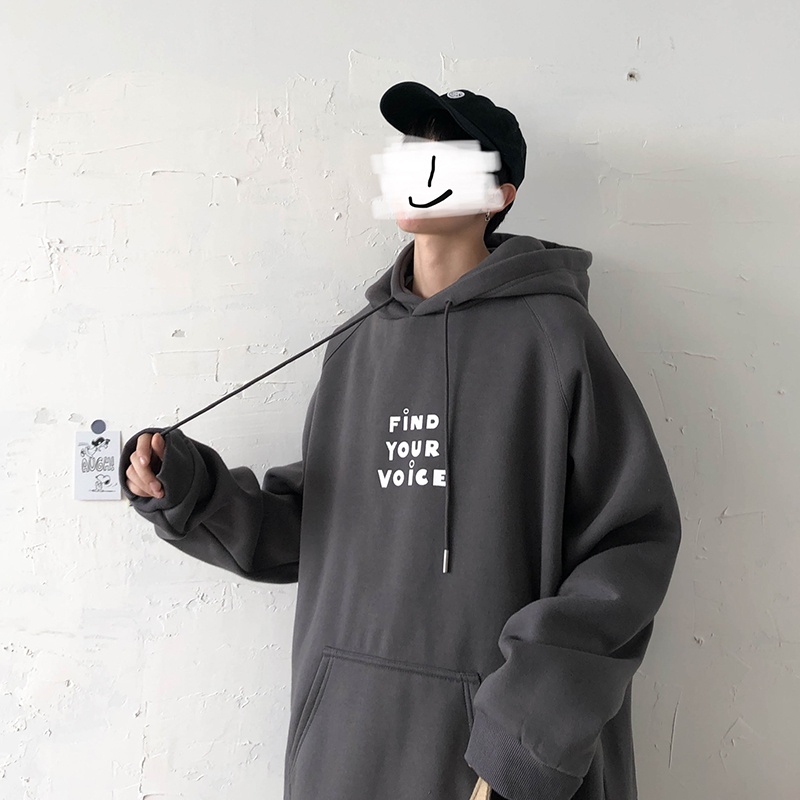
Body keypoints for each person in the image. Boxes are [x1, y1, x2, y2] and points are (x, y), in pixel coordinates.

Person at [120, 82, 682, 800]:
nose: (420, 169)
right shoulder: (354, 346)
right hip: (344, 752)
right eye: (412, 154)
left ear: (499, 194)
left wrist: (518, 743)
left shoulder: (554, 340)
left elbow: (630, 548)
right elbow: (313, 526)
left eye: (446, 157)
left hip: (484, 764)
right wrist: (187, 489)